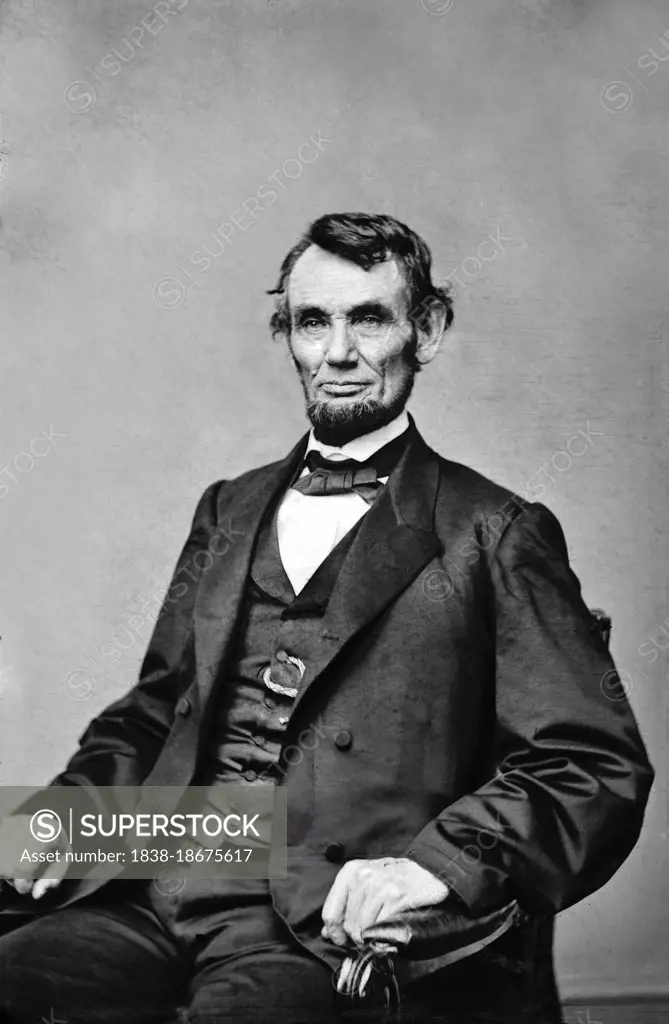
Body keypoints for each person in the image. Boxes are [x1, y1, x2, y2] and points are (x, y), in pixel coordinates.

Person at [0, 212, 654, 1024]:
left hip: (319, 921)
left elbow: (587, 763)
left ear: (428, 329)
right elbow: (152, 713)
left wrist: (438, 868)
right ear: (288, 335)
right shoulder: (228, 508)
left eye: (369, 317)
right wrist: (67, 816)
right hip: (154, 872)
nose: (338, 353)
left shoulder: (496, 532)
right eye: (314, 321)